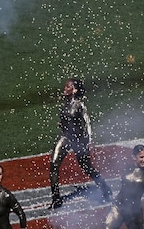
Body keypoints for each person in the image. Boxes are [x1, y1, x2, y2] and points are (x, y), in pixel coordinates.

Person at [48, 78, 112, 209]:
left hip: (79, 139)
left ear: (74, 90)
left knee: (86, 168)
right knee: (54, 165)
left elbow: (87, 122)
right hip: (65, 137)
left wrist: (89, 141)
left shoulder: (79, 105)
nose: (64, 89)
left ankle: (105, 188)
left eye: (67, 87)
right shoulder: (65, 103)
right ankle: (56, 198)